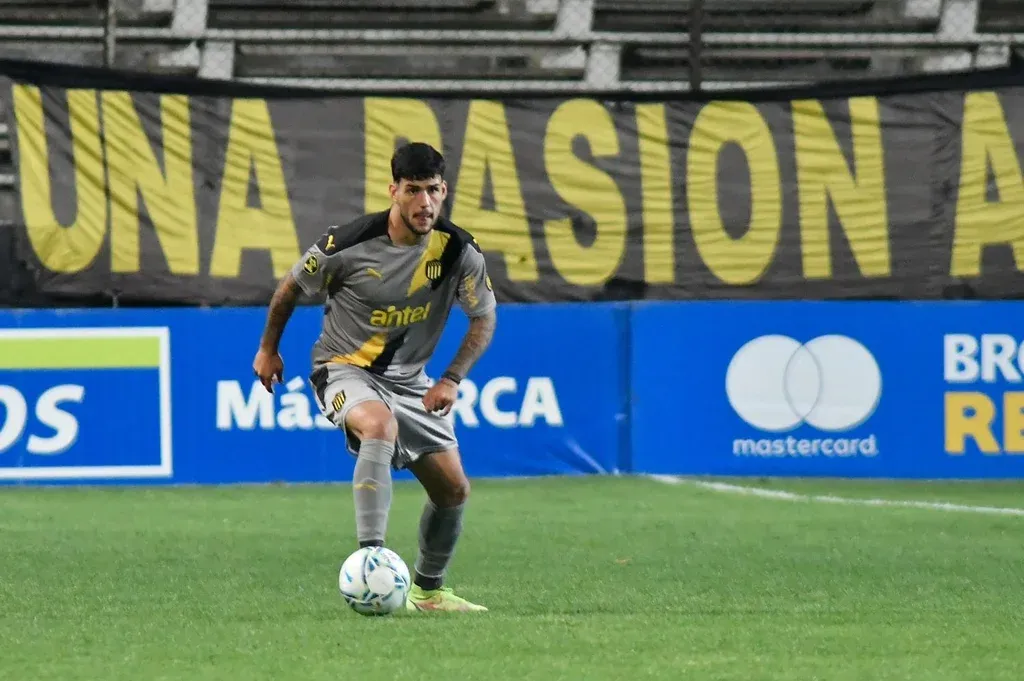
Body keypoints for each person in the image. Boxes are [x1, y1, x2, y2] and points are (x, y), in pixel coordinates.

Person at [252, 142, 497, 613]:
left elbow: (484, 317)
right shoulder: (346, 244)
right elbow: (289, 289)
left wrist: (451, 378)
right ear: (393, 191)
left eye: (433, 190)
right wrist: (268, 349)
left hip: (411, 381)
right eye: (413, 190)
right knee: (378, 425)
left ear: (444, 191)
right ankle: (371, 559)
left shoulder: (458, 251)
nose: (424, 203)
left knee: (453, 491)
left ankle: (428, 593)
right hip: (343, 368)